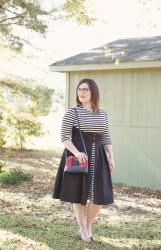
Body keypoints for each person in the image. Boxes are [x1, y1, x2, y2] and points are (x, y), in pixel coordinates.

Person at [52, 78, 115, 242]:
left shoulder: (103, 112)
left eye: (85, 89)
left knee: (99, 195)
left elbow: (106, 137)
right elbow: (65, 137)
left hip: (99, 157)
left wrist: (111, 157)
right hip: (78, 157)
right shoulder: (72, 112)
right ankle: (83, 230)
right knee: (78, 194)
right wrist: (76, 152)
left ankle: (87, 227)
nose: (82, 92)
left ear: (93, 92)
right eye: (79, 89)